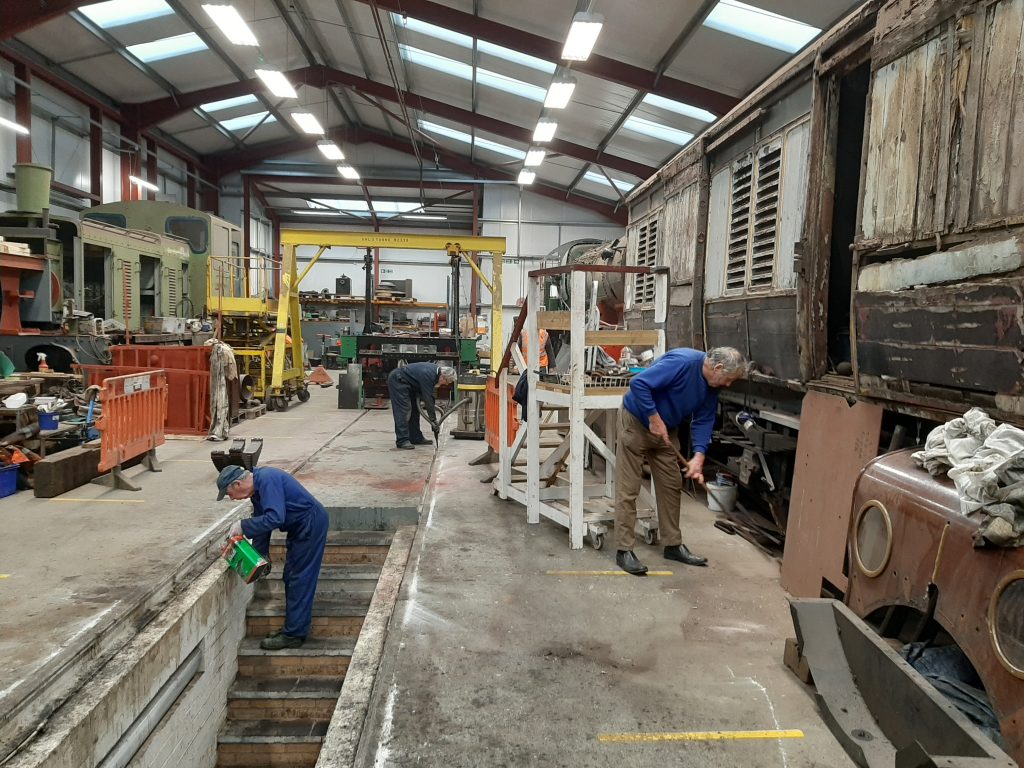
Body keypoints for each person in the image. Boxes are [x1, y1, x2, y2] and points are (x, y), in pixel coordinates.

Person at [614, 346, 747, 576]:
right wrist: (654, 418)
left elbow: (704, 419)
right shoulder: (683, 363)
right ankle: (624, 549)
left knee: (671, 485)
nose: (728, 385)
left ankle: (672, 545)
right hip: (637, 421)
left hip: (667, 431)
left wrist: (698, 456)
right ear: (717, 368)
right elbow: (639, 384)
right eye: (728, 379)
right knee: (629, 488)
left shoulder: (711, 386)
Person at [217, 464, 329, 650]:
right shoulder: (258, 490)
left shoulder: (267, 479)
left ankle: (294, 634)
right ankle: (292, 628)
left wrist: (243, 525)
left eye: (229, 494)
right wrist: (262, 557)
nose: (231, 498)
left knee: (299, 578)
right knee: (291, 576)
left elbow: (275, 518)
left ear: (237, 484)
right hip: (300, 526)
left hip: (311, 524)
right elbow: (263, 524)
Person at [387, 362, 458, 450]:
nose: (446, 384)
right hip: (398, 381)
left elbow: (430, 397)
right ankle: (402, 440)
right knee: (404, 410)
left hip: (409, 384)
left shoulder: (434, 374)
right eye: (447, 382)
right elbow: (427, 399)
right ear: (443, 376)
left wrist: (433, 420)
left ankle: (416, 437)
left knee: (415, 410)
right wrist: (433, 421)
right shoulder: (429, 375)